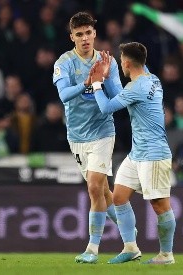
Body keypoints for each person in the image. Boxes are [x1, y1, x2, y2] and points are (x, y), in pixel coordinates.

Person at [89, 42, 176, 264]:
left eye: (121, 61)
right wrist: (109, 76)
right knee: (118, 197)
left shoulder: (136, 88)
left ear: (126, 63)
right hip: (137, 153)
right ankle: (130, 247)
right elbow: (126, 91)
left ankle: (166, 254)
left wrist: (98, 82)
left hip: (154, 154)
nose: (121, 64)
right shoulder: (152, 78)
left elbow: (107, 107)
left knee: (160, 205)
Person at [52, 11, 122, 264]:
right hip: (77, 136)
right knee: (103, 191)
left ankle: (92, 248)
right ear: (72, 37)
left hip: (103, 131)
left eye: (88, 33)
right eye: (79, 34)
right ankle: (130, 235)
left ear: (95, 34)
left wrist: (102, 77)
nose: (84, 38)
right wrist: (88, 83)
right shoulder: (64, 62)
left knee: (94, 187)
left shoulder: (107, 61)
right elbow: (63, 95)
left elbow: (118, 97)